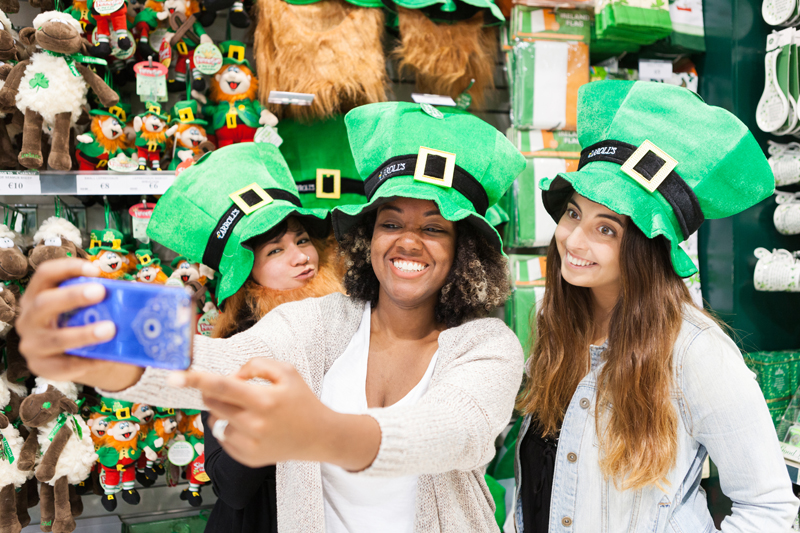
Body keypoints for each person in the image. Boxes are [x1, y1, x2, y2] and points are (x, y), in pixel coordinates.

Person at [16, 102, 528, 533]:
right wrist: (107, 340)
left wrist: (319, 431)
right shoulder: (323, 321)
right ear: (368, 238)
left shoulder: (488, 345)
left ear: (465, 250)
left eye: (435, 227)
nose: (407, 240)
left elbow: (453, 432)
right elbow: (219, 360)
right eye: (390, 221)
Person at [514, 80, 800, 532]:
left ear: (647, 247)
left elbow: (768, 508)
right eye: (573, 213)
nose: (574, 239)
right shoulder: (559, 325)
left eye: (606, 228)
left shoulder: (695, 352)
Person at [142, 143, 346, 531]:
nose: (300, 257)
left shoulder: (350, 323)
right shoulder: (236, 349)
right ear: (247, 273)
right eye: (275, 251)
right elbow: (232, 486)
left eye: (302, 240)